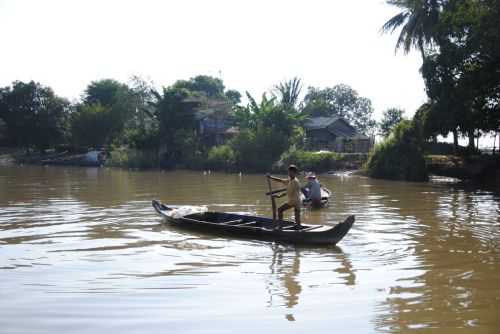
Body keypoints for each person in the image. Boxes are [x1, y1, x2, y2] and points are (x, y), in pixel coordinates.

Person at [267, 165, 302, 229]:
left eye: (290, 172)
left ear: (294, 172)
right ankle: (299, 228)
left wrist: (279, 196)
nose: (288, 173)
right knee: (297, 217)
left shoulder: (294, 181)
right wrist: (271, 177)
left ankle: (280, 226)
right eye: (288, 172)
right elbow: (281, 180)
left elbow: (288, 192)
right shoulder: (290, 180)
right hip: (297, 201)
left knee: (280, 210)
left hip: (294, 201)